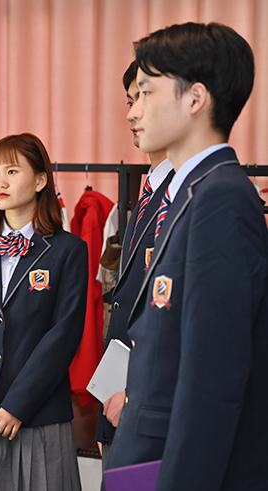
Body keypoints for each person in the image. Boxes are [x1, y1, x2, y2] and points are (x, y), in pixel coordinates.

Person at [105, 22, 268, 490]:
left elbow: (212, 378)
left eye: (146, 92)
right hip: (147, 446)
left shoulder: (220, 198)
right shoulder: (191, 192)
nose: (134, 110)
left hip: (174, 461)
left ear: (195, 98)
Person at [0, 133, 88, 490]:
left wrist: (18, 405)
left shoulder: (69, 250)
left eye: (12, 171)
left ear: (40, 180)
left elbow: (64, 334)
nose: (0, 182)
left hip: (39, 415)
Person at [94, 60, 174, 469]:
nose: (131, 113)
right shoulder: (150, 188)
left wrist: (137, 392)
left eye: (144, 97)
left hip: (149, 397)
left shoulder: (188, 195)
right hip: (121, 388)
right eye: (130, 100)